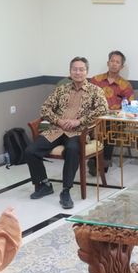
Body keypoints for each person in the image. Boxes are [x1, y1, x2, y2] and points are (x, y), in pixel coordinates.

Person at [26, 56, 109, 210]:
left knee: (72, 150)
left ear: (87, 72)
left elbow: (103, 110)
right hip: (57, 130)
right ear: (70, 71)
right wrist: (57, 121)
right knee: (31, 151)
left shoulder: (95, 91)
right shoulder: (61, 89)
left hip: (79, 132)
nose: (78, 72)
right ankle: (44, 184)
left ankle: (66, 191)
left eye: (81, 69)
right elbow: (45, 109)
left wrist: (79, 121)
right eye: (74, 69)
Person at [90, 50, 135, 175]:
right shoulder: (95, 80)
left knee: (109, 127)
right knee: (96, 125)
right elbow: (87, 99)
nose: (114, 64)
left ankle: (103, 161)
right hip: (96, 116)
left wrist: (115, 112)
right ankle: (94, 159)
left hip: (116, 119)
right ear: (108, 62)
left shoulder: (125, 85)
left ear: (122, 66)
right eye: (112, 61)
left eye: (117, 62)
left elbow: (130, 107)